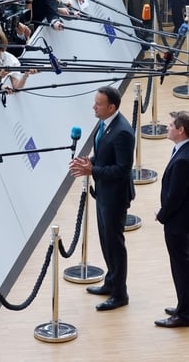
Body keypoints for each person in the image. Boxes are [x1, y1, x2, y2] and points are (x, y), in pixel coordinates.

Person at [69, 86, 135, 311]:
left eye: (98, 104)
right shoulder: (105, 123)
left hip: (115, 196)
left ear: (111, 107)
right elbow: (105, 154)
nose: (93, 107)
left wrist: (92, 171)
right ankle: (111, 282)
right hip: (104, 193)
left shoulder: (123, 132)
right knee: (106, 242)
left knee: (115, 244)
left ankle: (120, 293)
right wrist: (91, 161)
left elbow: (122, 169)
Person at [153, 111, 189, 328]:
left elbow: (176, 196)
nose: (167, 127)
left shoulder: (184, 159)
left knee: (181, 267)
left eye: (171, 125)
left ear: (181, 129)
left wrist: (161, 215)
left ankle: (185, 314)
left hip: (179, 221)